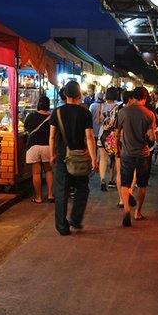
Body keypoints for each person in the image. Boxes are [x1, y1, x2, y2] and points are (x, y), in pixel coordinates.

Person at [49, 80, 97, 236]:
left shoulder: (57, 112)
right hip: (80, 158)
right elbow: (89, 137)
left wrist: (52, 154)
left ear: (64, 94)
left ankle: (62, 227)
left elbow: (52, 137)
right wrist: (94, 159)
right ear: (79, 95)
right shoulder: (85, 112)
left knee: (61, 192)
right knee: (82, 189)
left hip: (63, 158)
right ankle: (76, 219)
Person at [114, 86, 156, 226]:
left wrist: (116, 148)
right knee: (142, 184)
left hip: (126, 153)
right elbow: (152, 136)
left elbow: (117, 133)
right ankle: (137, 212)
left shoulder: (123, 112)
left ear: (134, 96)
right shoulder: (150, 114)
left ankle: (126, 209)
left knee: (125, 183)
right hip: (143, 153)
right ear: (145, 98)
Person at [24, 95, 53, 204]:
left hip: (33, 146)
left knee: (36, 173)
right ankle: (50, 195)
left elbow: (25, 127)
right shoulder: (51, 117)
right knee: (49, 171)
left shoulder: (31, 116)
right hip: (47, 147)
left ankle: (39, 197)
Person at [97, 87, 119, 192]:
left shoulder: (101, 106)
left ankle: (102, 180)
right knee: (114, 159)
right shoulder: (118, 107)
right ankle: (111, 180)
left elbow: (98, 121)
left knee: (103, 159)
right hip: (113, 135)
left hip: (102, 134)